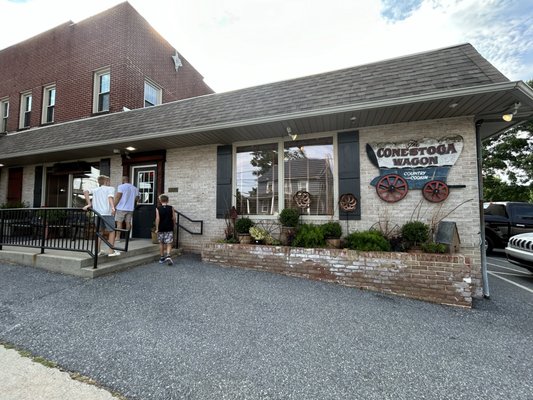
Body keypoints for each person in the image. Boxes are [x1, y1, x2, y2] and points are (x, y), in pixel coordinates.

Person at [83, 175, 120, 257]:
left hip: (97, 213)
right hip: (107, 213)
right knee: (112, 231)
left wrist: (89, 204)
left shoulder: (96, 190)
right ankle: (111, 251)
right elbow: (110, 198)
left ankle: (97, 251)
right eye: (109, 181)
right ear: (106, 181)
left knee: (99, 232)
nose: (110, 182)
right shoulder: (110, 188)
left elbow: (85, 191)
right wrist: (113, 208)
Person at [114, 176, 139, 241]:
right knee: (128, 223)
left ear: (123, 180)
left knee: (119, 223)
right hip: (130, 208)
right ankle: (127, 237)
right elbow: (137, 198)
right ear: (128, 180)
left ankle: (117, 237)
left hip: (121, 208)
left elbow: (118, 197)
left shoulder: (121, 187)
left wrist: (113, 206)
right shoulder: (134, 188)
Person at [155, 194, 176, 266]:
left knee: (161, 243)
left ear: (160, 201)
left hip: (161, 228)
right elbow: (174, 218)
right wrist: (174, 225)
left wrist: (157, 228)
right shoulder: (171, 208)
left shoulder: (158, 208)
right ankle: (168, 255)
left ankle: (161, 258)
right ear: (168, 200)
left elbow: (158, 219)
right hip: (169, 227)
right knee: (169, 242)